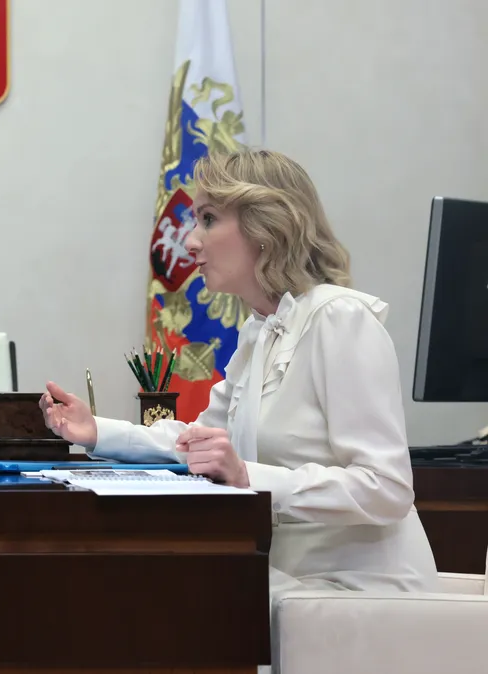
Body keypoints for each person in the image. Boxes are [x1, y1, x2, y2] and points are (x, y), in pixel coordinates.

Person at [40, 149, 437, 596]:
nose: (190, 241)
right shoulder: (259, 330)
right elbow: (197, 443)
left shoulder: (339, 319)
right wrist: (96, 431)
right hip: (288, 580)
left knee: (167, 594)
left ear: (266, 228)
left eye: (208, 219)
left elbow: (387, 488)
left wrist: (249, 476)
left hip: (362, 592)